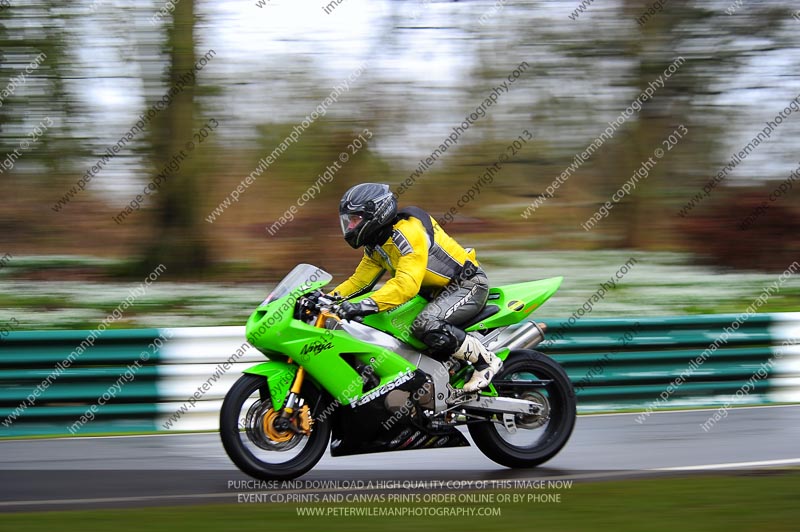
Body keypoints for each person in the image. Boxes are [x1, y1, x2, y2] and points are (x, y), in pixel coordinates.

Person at [331, 182, 502, 392]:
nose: (350, 227)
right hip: (433, 294)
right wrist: (327, 299)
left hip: (466, 285)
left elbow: (406, 284)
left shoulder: (408, 234)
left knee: (425, 324)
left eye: (355, 220)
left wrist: (367, 304)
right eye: (349, 221)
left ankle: (485, 362)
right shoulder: (376, 245)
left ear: (376, 215)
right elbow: (359, 282)